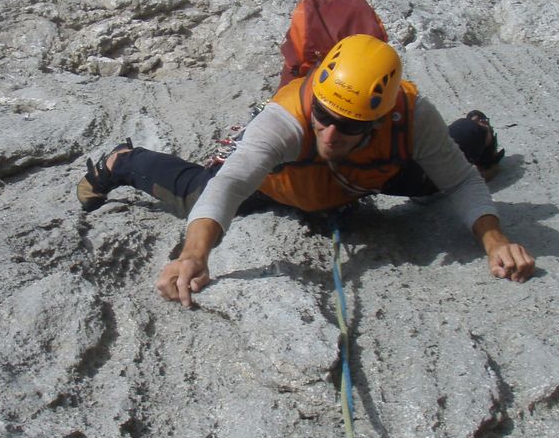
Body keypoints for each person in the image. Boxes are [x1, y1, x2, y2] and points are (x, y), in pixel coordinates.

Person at [78, 35, 536, 306]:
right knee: (197, 196)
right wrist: (195, 254)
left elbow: (459, 178)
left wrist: (493, 238)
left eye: (349, 125)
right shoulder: (285, 118)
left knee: (453, 158)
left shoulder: (411, 117)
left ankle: (478, 131)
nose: (331, 133)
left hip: (369, 173)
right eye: (324, 115)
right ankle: (126, 161)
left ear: (380, 119)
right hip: (284, 184)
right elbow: (232, 182)